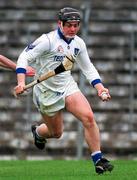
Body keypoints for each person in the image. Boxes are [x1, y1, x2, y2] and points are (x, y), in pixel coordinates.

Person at [14, 7, 114, 174]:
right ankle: (38, 132)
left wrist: (100, 87)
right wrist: (21, 82)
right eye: (69, 25)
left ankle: (98, 160)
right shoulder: (47, 40)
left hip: (67, 85)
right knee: (56, 133)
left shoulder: (78, 43)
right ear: (60, 23)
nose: (73, 29)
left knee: (89, 117)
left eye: (76, 25)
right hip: (46, 91)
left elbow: (87, 67)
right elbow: (24, 57)